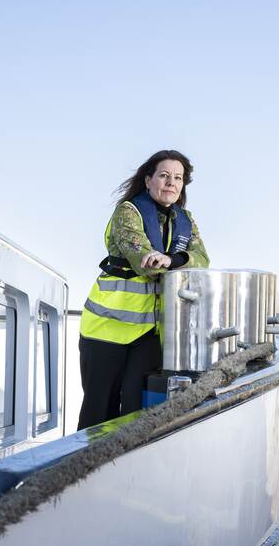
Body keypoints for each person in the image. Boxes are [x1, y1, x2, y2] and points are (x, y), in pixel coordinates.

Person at [77, 149, 210, 430]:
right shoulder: (127, 213)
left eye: (178, 178)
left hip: (149, 333)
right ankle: (88, 471)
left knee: (139, 414)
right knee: (99, 414)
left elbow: (203, 260)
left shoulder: (186, 221)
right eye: (164, 175)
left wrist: (173, 260)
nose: (171, 182)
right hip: (106, 330)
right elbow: (145, 261)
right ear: (148, 180)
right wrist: (170, 262)